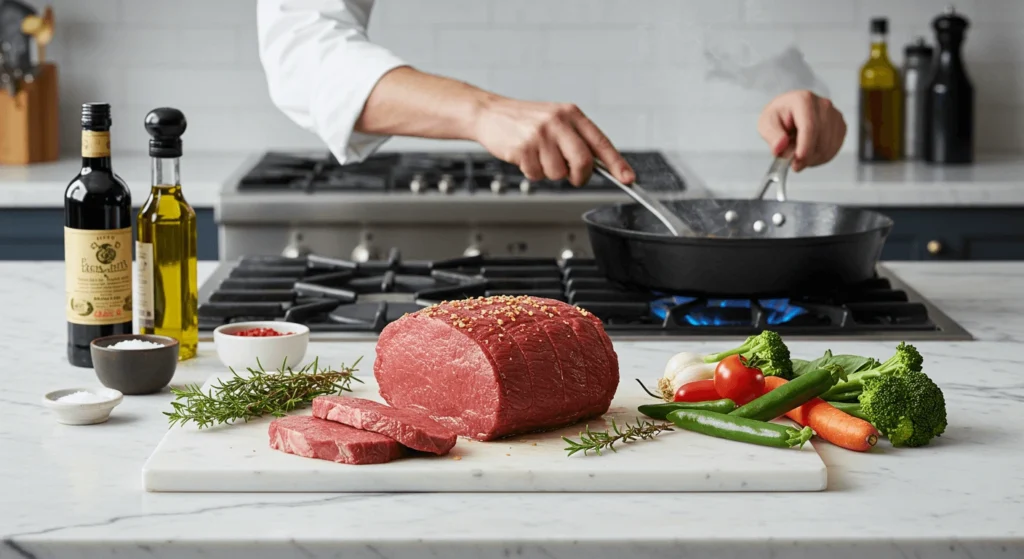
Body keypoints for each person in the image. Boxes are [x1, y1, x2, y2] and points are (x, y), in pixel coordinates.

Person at [257, 0, 847, 186]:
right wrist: (481, 111)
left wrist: (795, 95)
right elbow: (304, 50)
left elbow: (728, 32)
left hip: (689, 201)